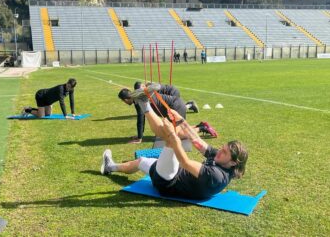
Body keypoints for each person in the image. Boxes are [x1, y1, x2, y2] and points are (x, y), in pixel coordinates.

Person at [101, 85, 248, 200]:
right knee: (141, 161)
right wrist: (181, 121)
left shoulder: (217, 176)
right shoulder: (221, 159)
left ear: (234, 162)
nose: (219, 151)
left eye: (224, 152)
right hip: (173, 172)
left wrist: (171, 133)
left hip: (169, 183)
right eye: (222, 148)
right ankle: (110, 167)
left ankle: (143, 103)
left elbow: (184, 162)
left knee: (172, 139)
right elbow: (197, 141)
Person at [118, 82, 215, 144]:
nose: (125, 103)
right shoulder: (137, 99)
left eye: (124, 101)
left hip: (175, 106)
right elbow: (141, 119)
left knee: (177, 135)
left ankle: (203, 128)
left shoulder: (139, 98)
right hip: (175, 105)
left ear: (126, 99)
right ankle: (201, 125)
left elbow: (140, 119)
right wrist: (139, 136)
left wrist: (139, 138)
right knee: (174, 133)